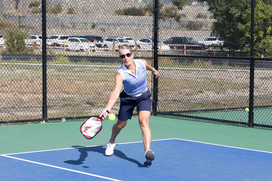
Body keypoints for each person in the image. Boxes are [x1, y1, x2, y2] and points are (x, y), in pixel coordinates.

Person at [100, 44, 159, 165]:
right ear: (120, 58)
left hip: (143, 96)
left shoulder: (141, 62)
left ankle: (147, 152)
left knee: (143, 121)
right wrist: (107, 109)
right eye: (122, 56)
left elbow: (147, 66)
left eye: (127, 54)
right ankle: (111, 142)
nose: (125, 58)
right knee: (121, 124)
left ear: (132, 54)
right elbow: (116, 91)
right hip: (128, 98)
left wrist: (153, 70)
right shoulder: (120, 73)